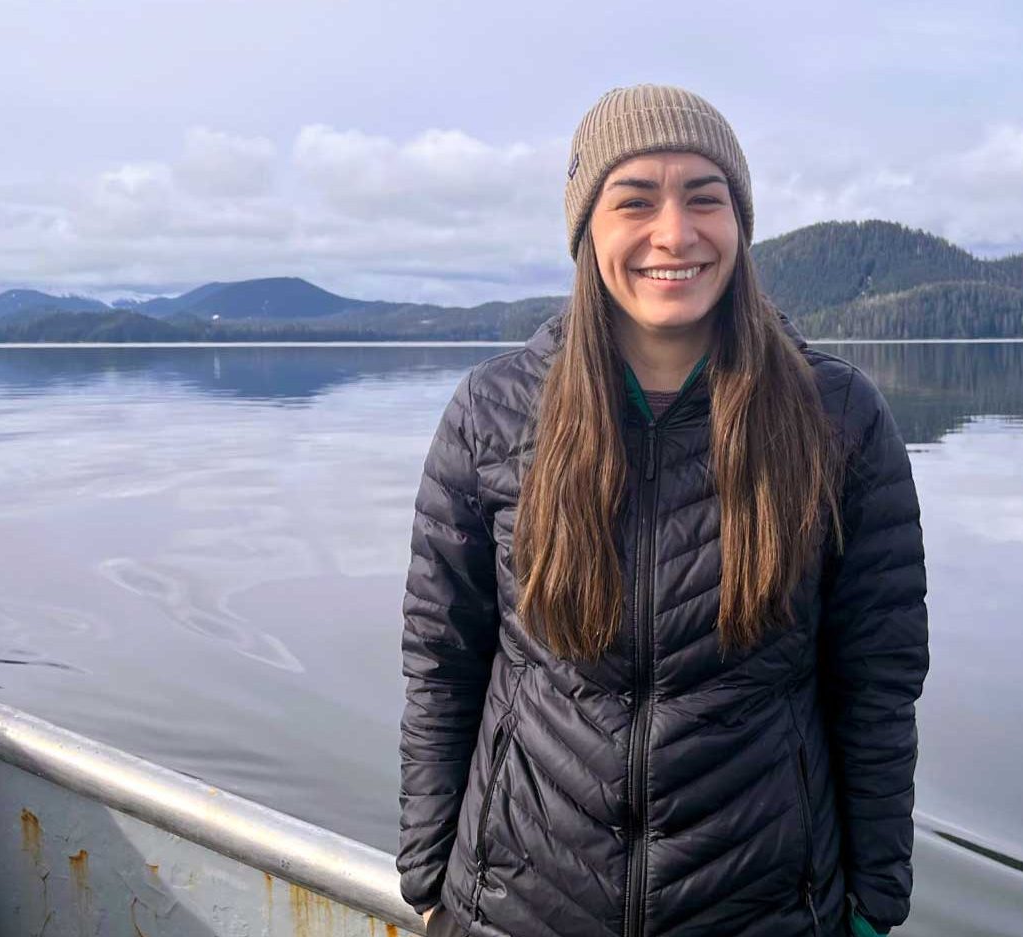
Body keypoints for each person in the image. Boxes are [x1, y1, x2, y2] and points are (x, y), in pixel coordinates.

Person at [398, 84, 929, 937]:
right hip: (517, 909)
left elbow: (876, 683)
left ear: (740, 224)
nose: (674, 234)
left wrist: (874, 902)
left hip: (764, 913)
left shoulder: (839, 417)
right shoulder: (492, 414)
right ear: (587, 231)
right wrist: (427, 871)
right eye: (635, 200)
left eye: (704, 198)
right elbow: (442, 660)